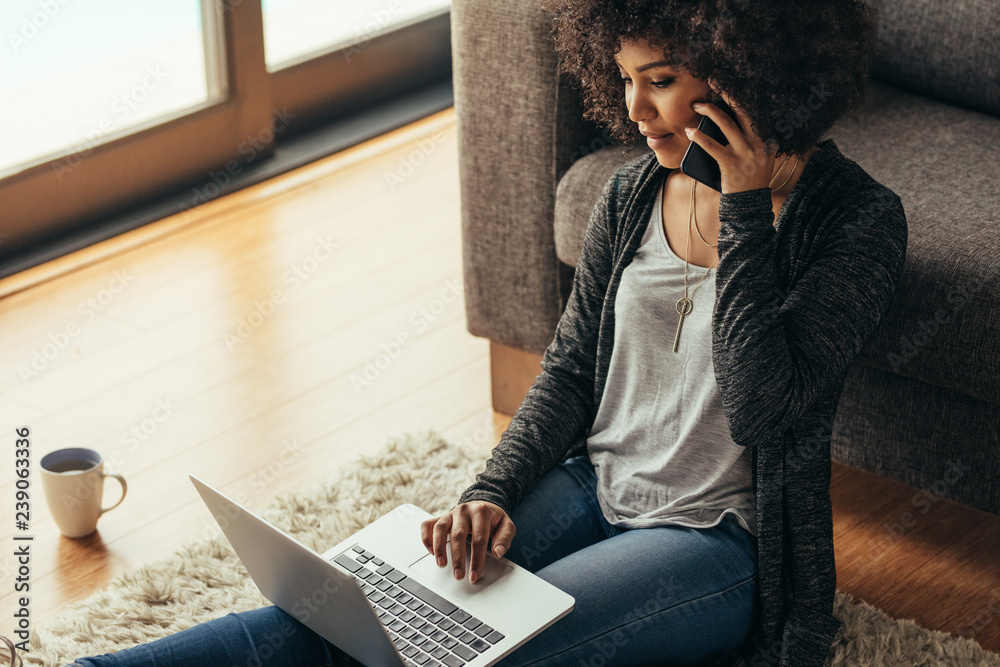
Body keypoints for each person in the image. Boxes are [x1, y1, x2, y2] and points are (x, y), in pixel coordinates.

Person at [65, 0, 905, 665]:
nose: (633, 107)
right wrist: (493, 489)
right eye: (623, 77)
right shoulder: (632, 192)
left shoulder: (859, 223)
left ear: (743, 71)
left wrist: (746, 209)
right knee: (364, 607)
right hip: (591, 482)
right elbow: (574, 369)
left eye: (660, 79)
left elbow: (765, 407)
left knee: (485, 653)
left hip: (713, 543)